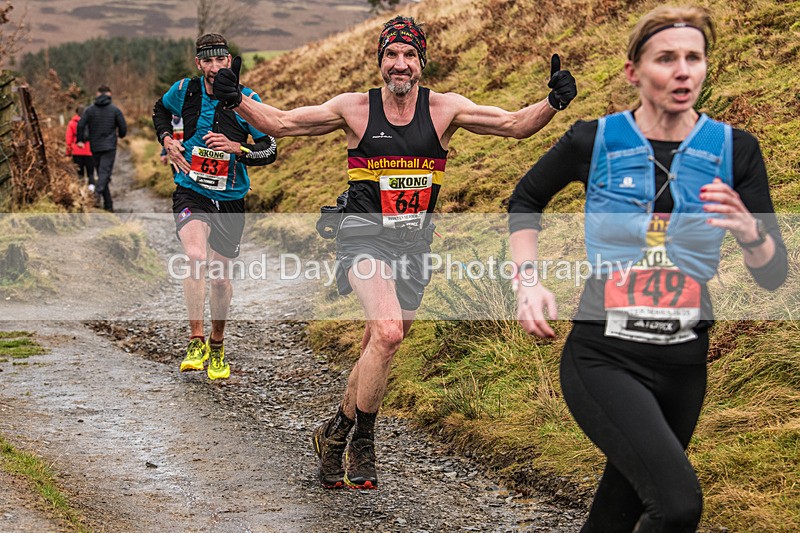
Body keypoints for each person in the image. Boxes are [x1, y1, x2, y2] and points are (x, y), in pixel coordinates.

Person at [212, 16, 577, 489]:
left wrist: (552, 101)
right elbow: (280, 123)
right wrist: (236, 98)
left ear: (421, 63)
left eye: (408, 56)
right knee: (387, 333)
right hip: (363, 235)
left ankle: (335, 433)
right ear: (380, 61)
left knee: (375, 349)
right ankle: (366, 440)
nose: (399, 64)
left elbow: (512, 125)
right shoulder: (355, 109)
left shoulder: (445, 110)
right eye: (391, 55)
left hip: (414, 244)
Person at [508, 6, 787, 531]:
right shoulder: (594, 141)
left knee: (622, 511)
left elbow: (773, 275)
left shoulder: (735, 152)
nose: (683, 71)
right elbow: (525, 198)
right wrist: (529, 282)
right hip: (604, 356)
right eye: (666, 59)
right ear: (635, 71)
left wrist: (750, 232)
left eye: (693, 58)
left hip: (684, 366)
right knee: (678, 505)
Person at [152, 33, 277, 381]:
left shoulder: (247, 100)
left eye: (220, 60)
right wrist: (168, 141)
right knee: (195, 257)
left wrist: (238, 148)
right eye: (207, 61)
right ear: (199, 63)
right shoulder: (185, 91)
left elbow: (270, 149)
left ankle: (217, 344)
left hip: (231, 197)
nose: (214, 67)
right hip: (191, 189)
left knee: (220, 280)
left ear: (228, 60)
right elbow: (159, 109)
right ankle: (195, 340)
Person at [77, 85, 127, 212]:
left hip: (95, 146)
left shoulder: (89, 110)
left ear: (98, 94)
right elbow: (123, 127)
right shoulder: (115, 110)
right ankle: (95, 196)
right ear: (109, 94)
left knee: (101, 173)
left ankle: (109, 205)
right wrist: (120, 135)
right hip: (109, 146)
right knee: (104, 174)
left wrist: (80, 140)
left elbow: (80, 124)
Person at [65, 105, 95, 192]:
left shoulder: (72, 123)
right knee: (91, 173)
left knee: (80, 174)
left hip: (77, 151)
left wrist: (68, 152)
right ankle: (92, 191)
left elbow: (69, 139)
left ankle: (82, 192)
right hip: (89, 150)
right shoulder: (91, 122)